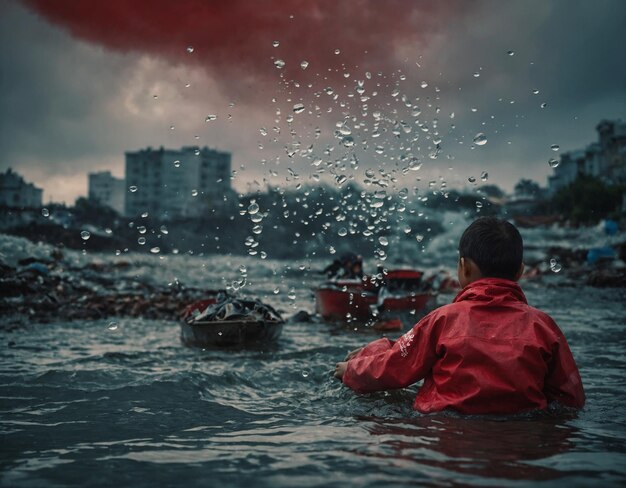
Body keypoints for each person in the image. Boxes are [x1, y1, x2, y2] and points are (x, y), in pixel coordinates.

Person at [334, 217, 585, 415]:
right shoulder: (542, 325)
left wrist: (351, 370)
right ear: (519, 271)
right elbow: (570, 398)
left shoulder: (443, 320)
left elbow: (395, 366)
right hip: (521, 432)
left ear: (464, 267)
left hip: (446, 429)